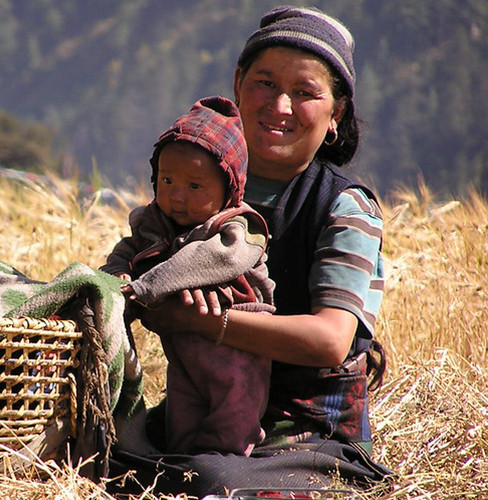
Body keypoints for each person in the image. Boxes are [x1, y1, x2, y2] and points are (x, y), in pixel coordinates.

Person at [108, 6, 393, 497]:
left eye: (305, 93)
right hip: (202, 416)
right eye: (265, 83)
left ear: (335, 115)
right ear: (238, 84)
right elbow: (133, 262)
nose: (280, 105)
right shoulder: (196, 188)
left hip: (305, 437)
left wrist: (201, 322)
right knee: (96, 454)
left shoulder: (344, 208)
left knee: (211, 484)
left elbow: (330, 340)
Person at [101, 95, 276, 457]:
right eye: (167, 181)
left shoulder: (236, 227)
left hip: (238, 341)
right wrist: (115, 276)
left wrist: (144, 289)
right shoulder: (154, 222)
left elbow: (209, 259)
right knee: (182, 409)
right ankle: (183, 469)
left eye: (195, 187)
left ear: (229, 190)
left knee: (234, 410)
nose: (177, 196)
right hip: (184, 344)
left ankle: (224, 472)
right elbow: (127, 250)